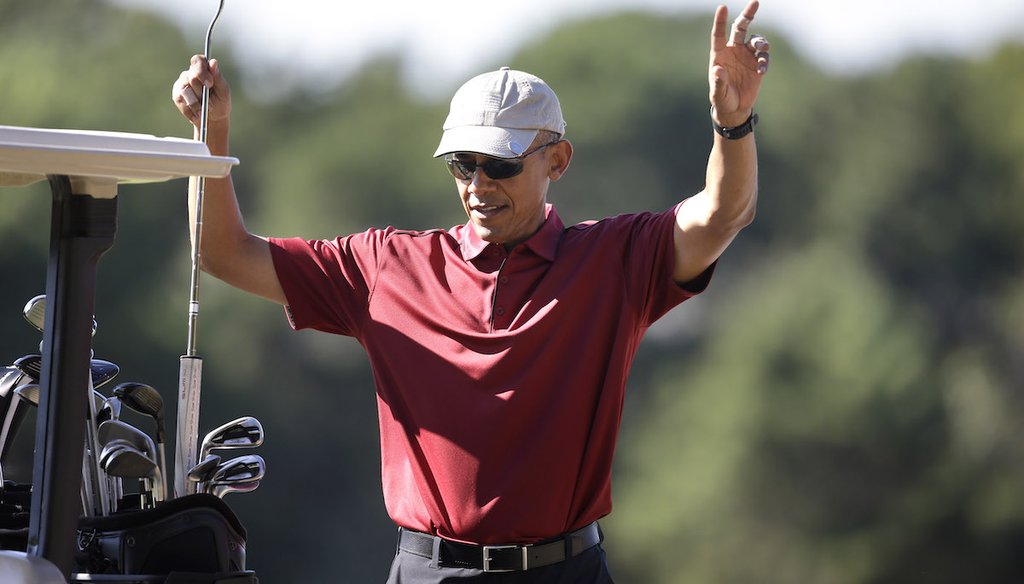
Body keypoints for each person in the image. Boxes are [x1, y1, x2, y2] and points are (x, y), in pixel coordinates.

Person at [172, 2, 769, 581]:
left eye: (501, 164)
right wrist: (213, 131)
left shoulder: (614, 259)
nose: (479, 184)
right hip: (428, 571)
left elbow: (722, 214)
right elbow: (221, 253)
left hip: (566, 572)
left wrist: (733, 124)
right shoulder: (388, 264)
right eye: (462, 164)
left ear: (557, 160)